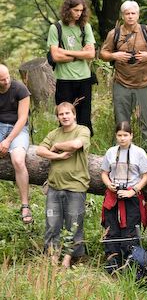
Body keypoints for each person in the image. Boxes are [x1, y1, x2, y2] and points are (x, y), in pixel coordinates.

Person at [100, 0, 147, 149]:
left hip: (144, 83)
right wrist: (115, 56)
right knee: (121, 120)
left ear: (138, 15)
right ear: (122, 15)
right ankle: (122, 150)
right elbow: (103, 53)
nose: (130, 16)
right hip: (121, 83)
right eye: (127, 14)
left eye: (133, 13)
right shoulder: (114, 33)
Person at [36, 102, 90, 268]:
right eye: (61, 114)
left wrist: (57, 146)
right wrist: (58, 156)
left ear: (74, 114)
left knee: (73, 225)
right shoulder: (54, 133)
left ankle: (67, 260)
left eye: (68, 113)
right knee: (52, 224)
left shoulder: (82, 130)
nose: (65, 116)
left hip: (76, 186)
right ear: (58, 117)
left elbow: (75, 145)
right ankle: (53, 259)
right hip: (54, 186)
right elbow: (39, 150)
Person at [100, 121, 147, 273]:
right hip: (113, 196)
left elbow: (146, 175)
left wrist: (133, 190)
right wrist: (109, 184)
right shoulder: (110, 152)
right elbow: (104, 172)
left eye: (125, 135)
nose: (122, 138)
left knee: (130, 230)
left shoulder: (139, 152)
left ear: (131, 136)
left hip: (131, 195)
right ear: (116, 136)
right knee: (111, 229)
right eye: (119, 135)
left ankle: (132, 263)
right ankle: (112, 263)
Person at [47, 0, 96, 136]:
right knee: (65, 116)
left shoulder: (85, 27)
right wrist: (79, 54)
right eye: (76, 10)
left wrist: (65, 52)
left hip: (84, 78)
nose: (79, 14)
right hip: (64, 79)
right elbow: (55, 56)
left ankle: (83, 146)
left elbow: (91, 54)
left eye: (81, 11)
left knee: (84, 117)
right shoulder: (56, 28)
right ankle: (65, 145)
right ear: (67, 10)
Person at [0, 64, 32, 223]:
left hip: (18, 128)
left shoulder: (20, 89)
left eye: (7, 77)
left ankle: (25, 205)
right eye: (2, 80)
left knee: (18, 160)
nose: (6, 81)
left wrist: (7, 140)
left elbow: (22, 119)